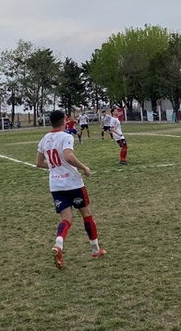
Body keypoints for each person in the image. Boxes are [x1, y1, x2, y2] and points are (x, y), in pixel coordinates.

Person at [36, 110, 106, 270]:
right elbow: (68, 156)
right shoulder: (66, 136)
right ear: (64, 120)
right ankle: (96, 250)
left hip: (56, 185)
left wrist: (54, 166)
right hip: (73, 184)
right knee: (87, 215)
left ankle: (59, 244)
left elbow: (39, 163)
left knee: (66, 219)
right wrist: (84, 167)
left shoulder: (44, 139)